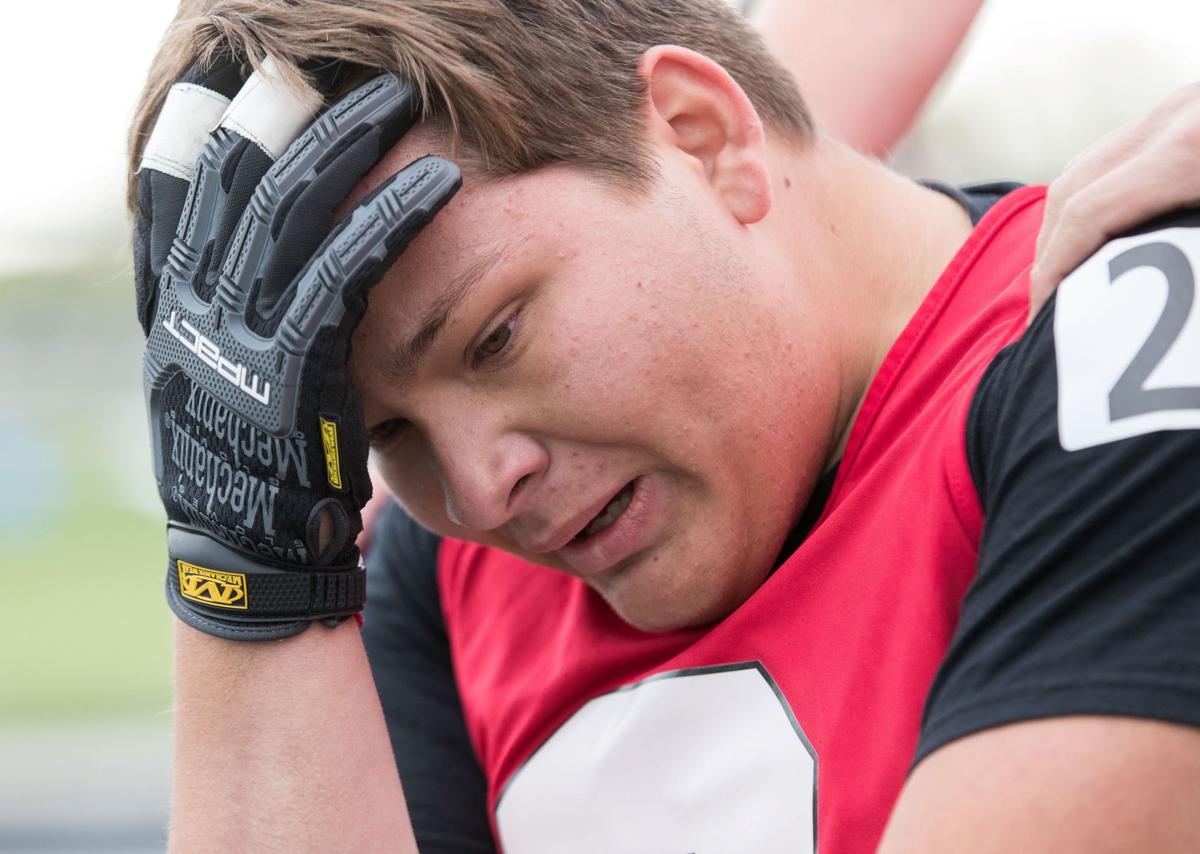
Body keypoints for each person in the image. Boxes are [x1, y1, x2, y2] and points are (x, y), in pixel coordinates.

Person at [126, 2, 1200, 851]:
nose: (480, 489)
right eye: (390, 433)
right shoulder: (450, 577)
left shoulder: (1129, 337)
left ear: (702, 134)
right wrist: (247, 574)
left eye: (494, 337)